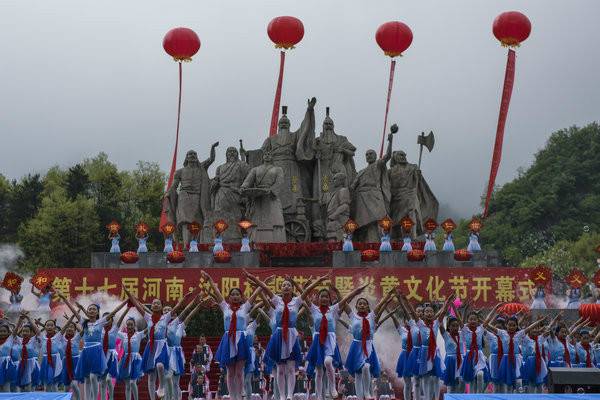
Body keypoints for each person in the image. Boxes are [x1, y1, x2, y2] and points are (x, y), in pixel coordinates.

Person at [201, 270, 263, 400]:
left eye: (237, 294)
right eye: (232, 294)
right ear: (229, 297)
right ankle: (232, 397)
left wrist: (256, 281)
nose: (235, 296)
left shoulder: (244, 308)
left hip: (241, 340)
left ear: (241, 297)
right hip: (228, 339)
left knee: (239, 372)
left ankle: (239, 396)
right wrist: (210, 279)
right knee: (230, 372)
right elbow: (217, 292)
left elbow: (257, 292)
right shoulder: (225, 307)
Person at [125, 288, 195, 400]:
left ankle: (162, 386)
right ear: (151, 306)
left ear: (161, 307)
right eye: (154, 303)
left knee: (160, 365)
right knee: (151, 377)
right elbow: (137, 305)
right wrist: (128, 293)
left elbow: (179, 307)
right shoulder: (148, 317)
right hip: (151, 346)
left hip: (162, 345)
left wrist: (185, 298)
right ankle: (153, 398)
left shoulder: (165, 317)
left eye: (158, 303)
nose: (156, 304)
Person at [57, 293, 128, 400]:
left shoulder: (100, 322)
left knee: (93, 376)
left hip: (96, 351)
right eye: (89, 309)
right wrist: (64, 299)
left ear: (97, 312)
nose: (91, 310)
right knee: (86, 378)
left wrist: (126, 301)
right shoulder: (84, 322)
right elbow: (74, 311)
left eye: (94, 309)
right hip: (86, 351)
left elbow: (115, 311)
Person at [306, 281, 370, 400]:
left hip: (330, 342)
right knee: (319, 372)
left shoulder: (334, 310)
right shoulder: (314, 309)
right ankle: (319, 397)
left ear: (330, 299)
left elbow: (347, 299)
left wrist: (357, 291)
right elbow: (302, 296)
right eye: (322, 296)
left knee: (328, 362)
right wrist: (311, 285)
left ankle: (332, 387)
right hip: (318, 343)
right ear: (318, 299)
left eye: (326, 296)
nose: (324, 298)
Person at [344, 291, 394, 400]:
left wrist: (389, 296)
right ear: (356, 306)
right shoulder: (353, 317)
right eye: (360, 303)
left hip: (368, 346)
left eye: (364, 304)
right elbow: (344, 304)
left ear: (368, 307)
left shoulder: (371, 317)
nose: (362, 305)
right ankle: (359, 396)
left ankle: (367, 393)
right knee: (358, 374)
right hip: (356, 346)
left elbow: (381, 304)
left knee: (366, 367)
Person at [484, 313, 547, 393]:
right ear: (506, 325)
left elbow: (529, 328)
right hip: (506, 360)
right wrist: (484, 321)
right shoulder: (503, 333)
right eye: (509, 325)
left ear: (517, 326)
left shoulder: (519, 334)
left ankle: (518, 395)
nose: (511, 327)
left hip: (516, 359)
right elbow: (489, 326)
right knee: (508, 384)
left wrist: (539, 321)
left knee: (518, 382)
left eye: (514, 325)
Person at [166, 295, 206, 400]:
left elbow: (188, 315)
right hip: (166, 353)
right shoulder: (162, 325)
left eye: (170, 311)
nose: (167, 312)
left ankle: (176, 398)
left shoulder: (180, 326)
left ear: (175, 315)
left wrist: (197, 306)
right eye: (165, 310)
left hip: (177, 354)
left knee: (175, 382)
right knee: (167, 378)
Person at [117, 316, 146, 400]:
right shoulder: (123, 335)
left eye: (131, 325)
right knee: (127, 385)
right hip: (125, 360)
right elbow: (115, 329)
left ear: (134, 325)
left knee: (133, 382)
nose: (129, 326)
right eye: (128, 325)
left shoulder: (139, 335)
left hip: (136, 360)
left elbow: (149, 328)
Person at [61, 318, 83, 400]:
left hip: (75, 362)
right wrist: (68, 323)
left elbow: (82, 331)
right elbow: (61, 331)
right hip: (66, 362)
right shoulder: (62, 338)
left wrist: (74, 323)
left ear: (75, 330)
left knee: (74, 384)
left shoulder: (76, 337)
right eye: (68, 327)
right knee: (66, 387)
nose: (69, 329)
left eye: (72, 327)